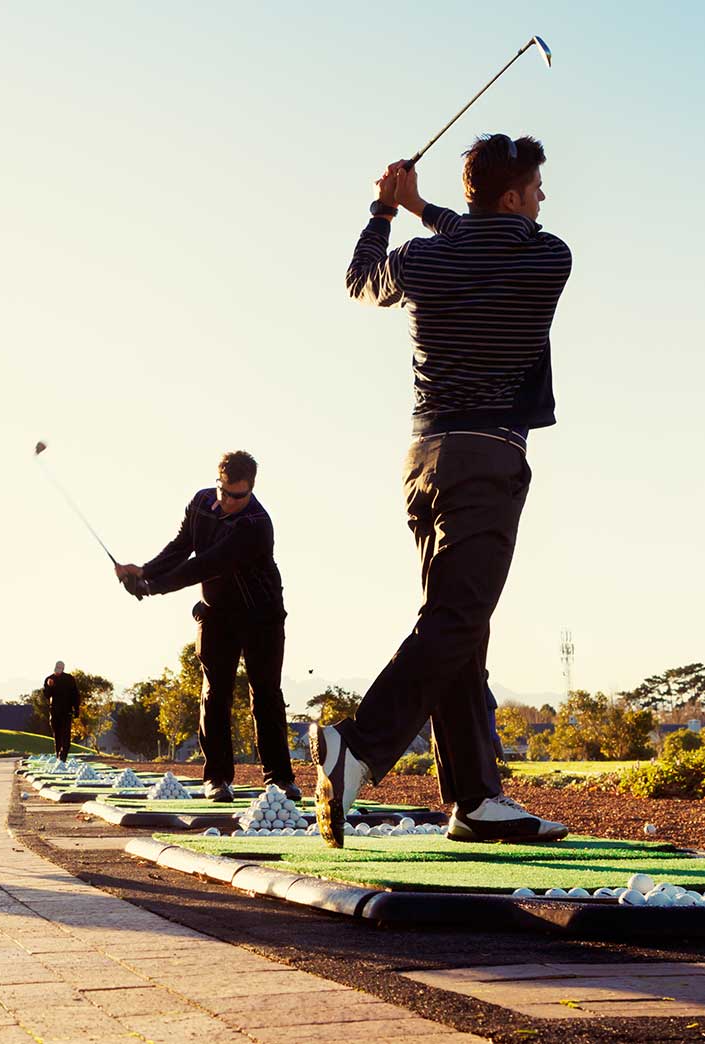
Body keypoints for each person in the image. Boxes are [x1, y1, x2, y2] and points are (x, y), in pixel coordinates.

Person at [315, 134, 572, 846]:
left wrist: (389, 208)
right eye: (537, 190)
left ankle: (476, 799)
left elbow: (361, 276)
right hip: (488, 458)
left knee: (461, 623)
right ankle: (359, 747)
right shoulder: (547, 256)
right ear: (516, 197)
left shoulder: (422, 259)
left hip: (425, 458)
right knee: (457, 621)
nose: (544, 200)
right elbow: (488, 233)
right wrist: (423, 204)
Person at [118, 451, 297, 803]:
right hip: (217, 613)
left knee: (266, 695)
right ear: (218, 482)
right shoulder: (201, 502)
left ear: (251, 491)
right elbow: (181, 548)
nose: (229, 501)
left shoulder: (256, 524)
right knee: (215, 693)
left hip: (262, 615)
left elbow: (203, 566)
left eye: (238, 496)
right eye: (225, 492)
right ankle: (217, 779)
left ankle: (279, 780)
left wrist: (150, 588)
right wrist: (144, 571)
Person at [43, 662, 80, 762]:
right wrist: (49, 686)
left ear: (63, 668)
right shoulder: (49, 679)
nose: (58, 669)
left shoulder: (69, 679)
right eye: (57, 667)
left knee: (66, 736)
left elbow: (75, 694)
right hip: (54, 712)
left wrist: (76, 709)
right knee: (57, 736)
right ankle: (58, 756)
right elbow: (46, 695)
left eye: (60, 667)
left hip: (66, 712)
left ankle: (63, 756)